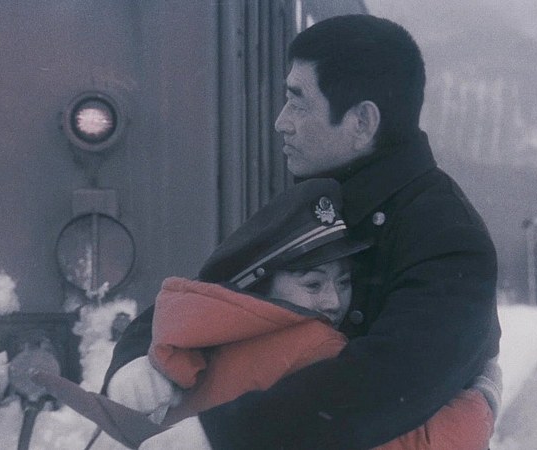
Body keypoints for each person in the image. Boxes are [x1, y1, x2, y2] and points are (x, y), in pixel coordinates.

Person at [106, 14, 502, 449]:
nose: (282, 121)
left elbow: (389, 383)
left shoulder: (448, 238)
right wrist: (135, 361)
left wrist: (222, 435)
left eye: (298, 103)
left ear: (362, 122)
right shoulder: (319, 199)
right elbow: (213, 293)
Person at [36, 178, 494, 450]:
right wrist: (483, 395)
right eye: (312, 284)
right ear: (265, 282)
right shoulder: (314, 347)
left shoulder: (199, 334)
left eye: (343, 281)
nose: (333, 301)